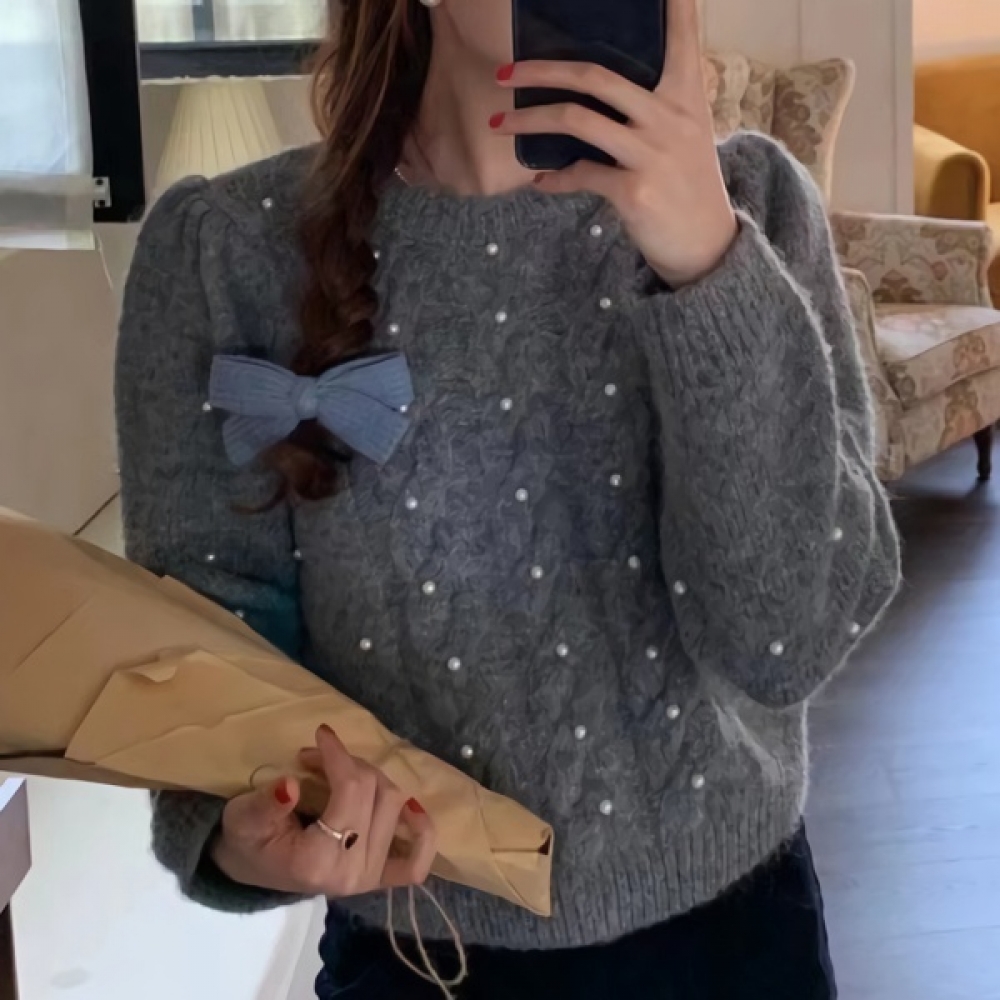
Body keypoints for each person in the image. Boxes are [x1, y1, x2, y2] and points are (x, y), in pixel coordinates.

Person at [115, 0, 901, 996]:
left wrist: (708, 267)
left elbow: (783, 643)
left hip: (736, 949)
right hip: (416, 959)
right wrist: (244, 837)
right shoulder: (226, 253)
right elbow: (201, 653)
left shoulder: (751, 208)